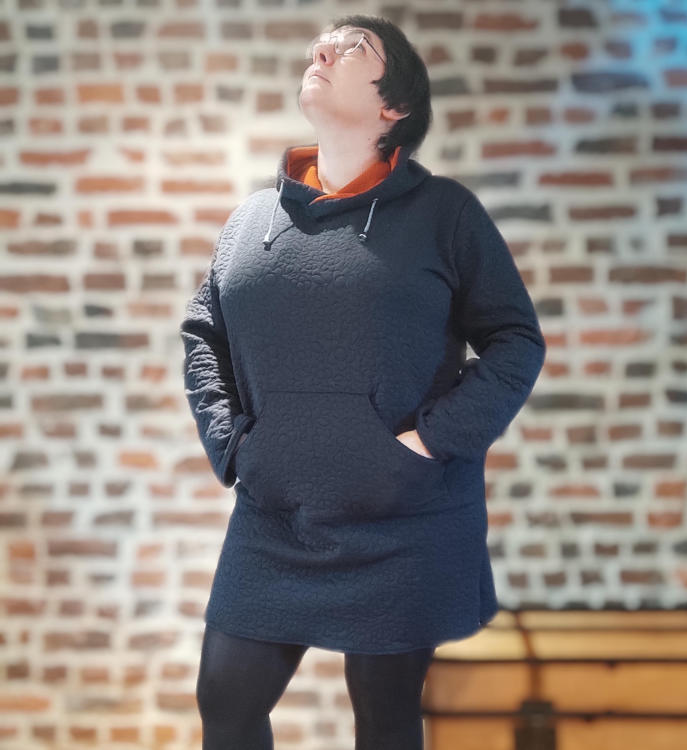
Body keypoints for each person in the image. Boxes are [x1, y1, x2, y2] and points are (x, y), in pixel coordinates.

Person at [181, 13, 546, 750]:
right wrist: (234, 445)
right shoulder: (251, 221)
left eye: (354, 47)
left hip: (403, 520)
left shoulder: (445, 215)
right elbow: (202, 336)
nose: (323, 49)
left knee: (384, 714)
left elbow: (516, 341)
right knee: (225, 699)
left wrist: (430, 442)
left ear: (395, 105)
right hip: (276, 519)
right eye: (323, 41)